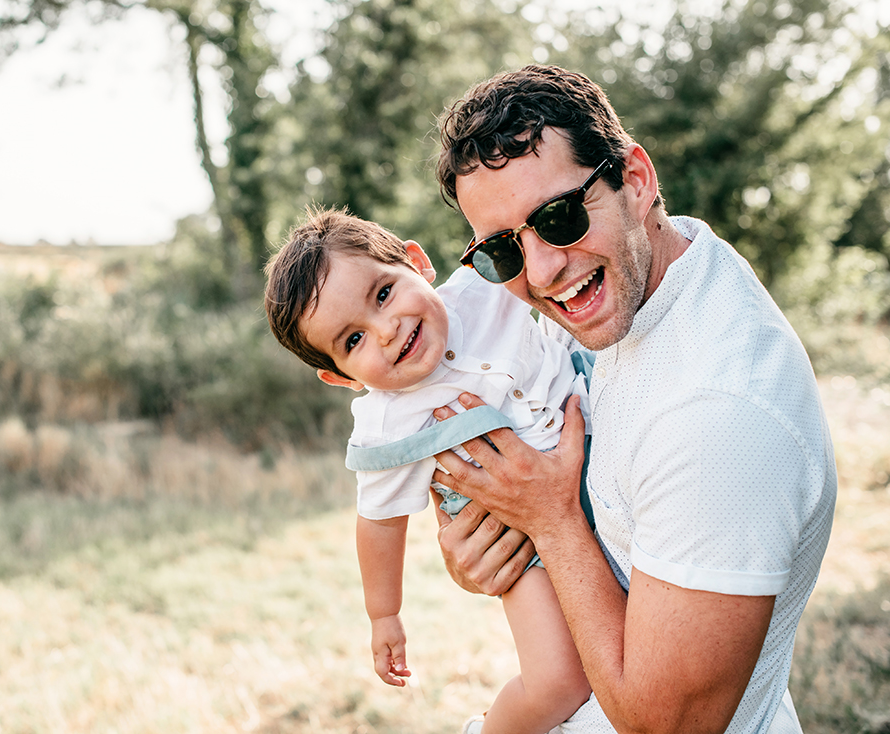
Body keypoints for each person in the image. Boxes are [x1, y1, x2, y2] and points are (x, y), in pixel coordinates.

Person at [429, 64, 837, 734]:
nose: (539, 272)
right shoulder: (637, 287)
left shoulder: (719, 412)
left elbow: (663, 726)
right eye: (502, 250)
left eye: (557, 218)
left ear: (637, 181)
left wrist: (551, 522)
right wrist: (492, 548)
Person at [263, 207, 596, 734]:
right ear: (340, 377)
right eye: (353, 341)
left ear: (417, 263)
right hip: (518, 540)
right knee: (560, 681)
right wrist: (384, 614)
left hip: (596, 444)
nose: (387, 329)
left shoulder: (489, 283)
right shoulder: (390, 423)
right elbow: (379, 520)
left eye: (382, 295)